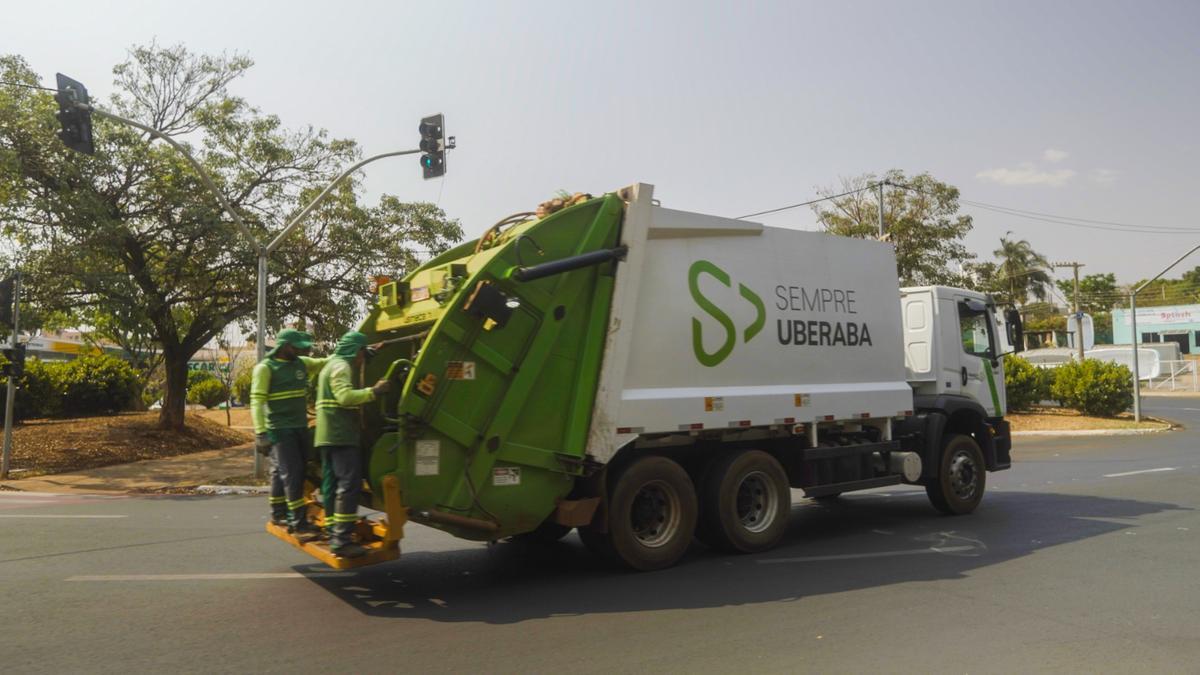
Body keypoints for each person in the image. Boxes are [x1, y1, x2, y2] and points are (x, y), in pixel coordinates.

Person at [315, 331, 390, 558]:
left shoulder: (330, 364)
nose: (361, 359)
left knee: (331, 483)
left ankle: (333, 529)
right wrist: (374, 392)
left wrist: (370, 352)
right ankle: (342, 540)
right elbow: (344, 397)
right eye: (360, 353)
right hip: (341, 434)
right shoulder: (341, 367)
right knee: (349, 485)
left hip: (326, 435)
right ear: (353, 351)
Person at [250, 329, 327, 543]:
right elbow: (256, 402)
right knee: (293, 474)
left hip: (300, 427)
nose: (301, 350)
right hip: (280, 429)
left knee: (279, 471)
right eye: (296, 346)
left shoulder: (301, 363)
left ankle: (279, 513)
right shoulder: (265, 368)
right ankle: (298, 523)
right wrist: (260, 433)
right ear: (284, 346)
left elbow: (325, 362)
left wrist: (357, 352)